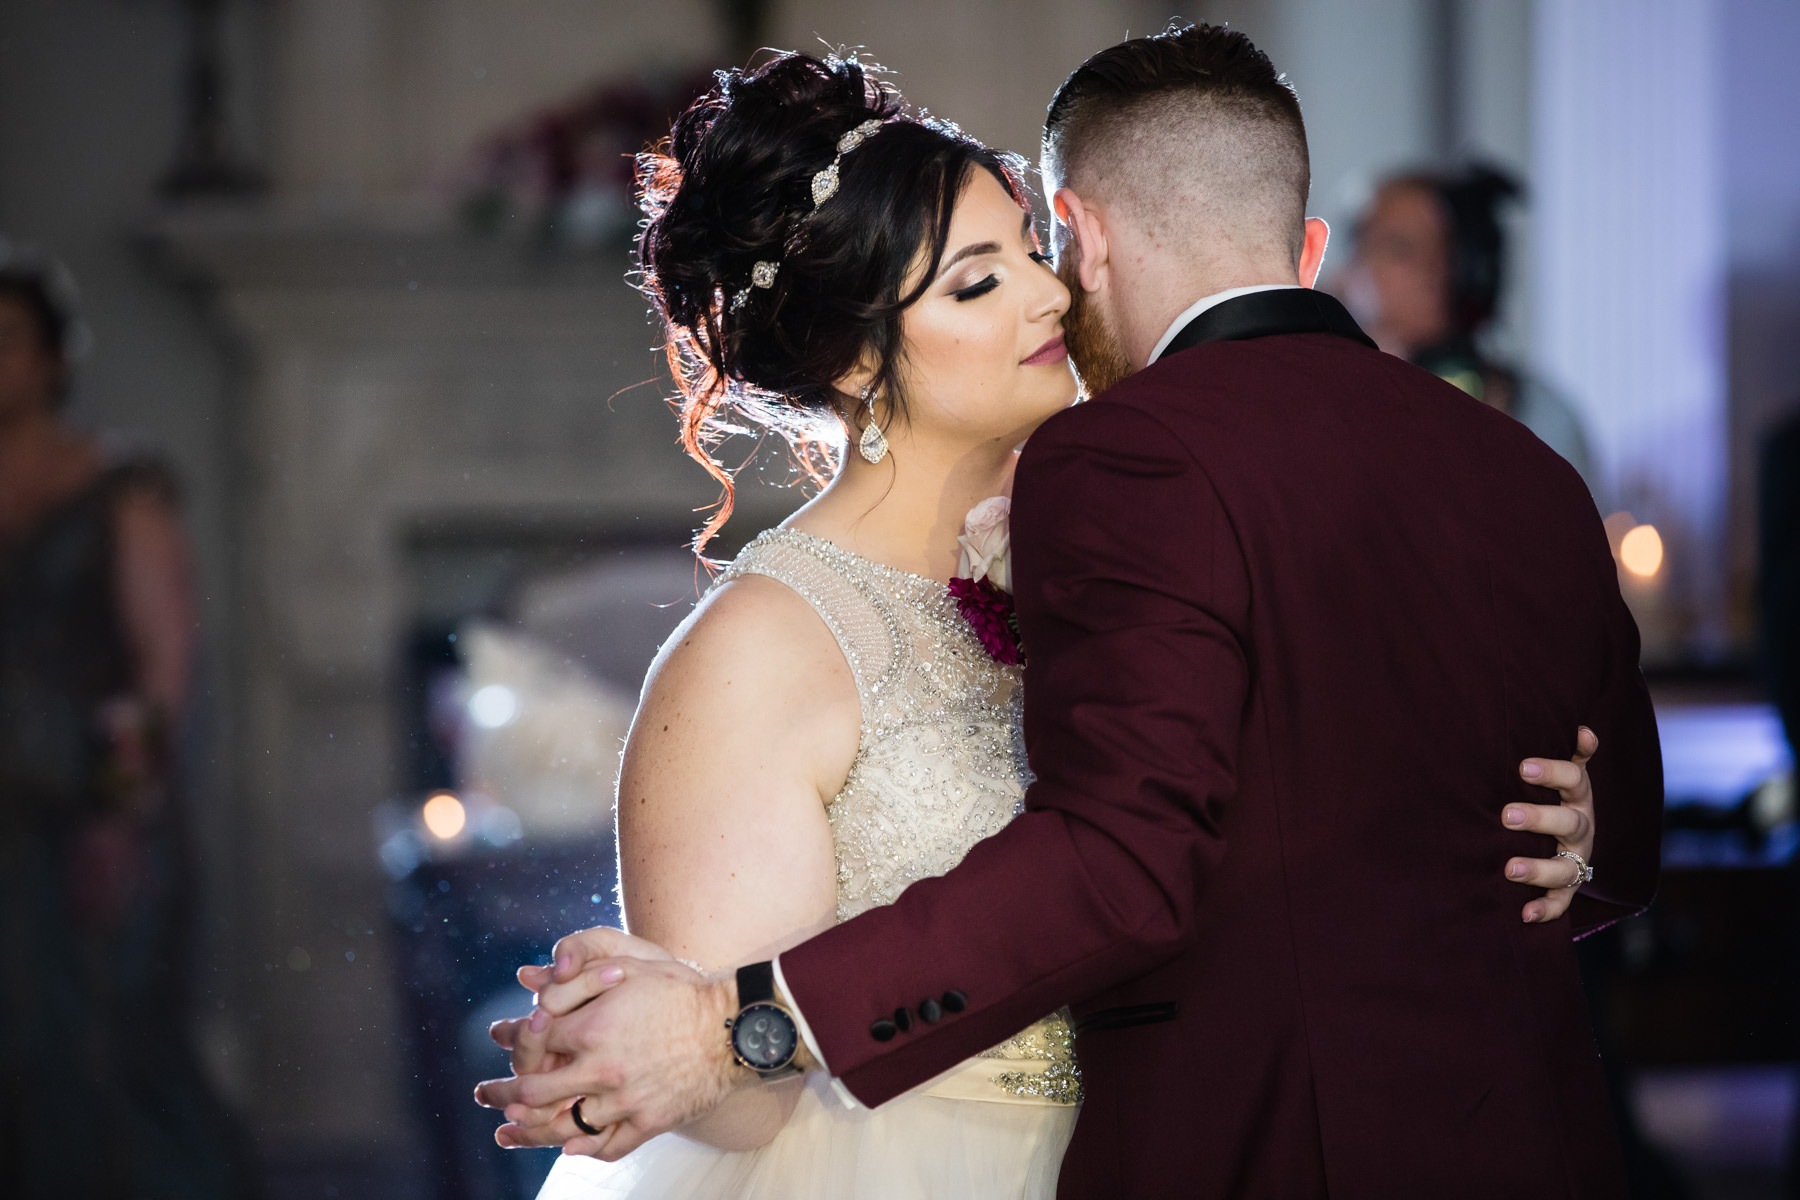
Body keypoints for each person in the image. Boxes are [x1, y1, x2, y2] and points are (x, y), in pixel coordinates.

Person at [476, 25, 1663, 1198]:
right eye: (983, 278)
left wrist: (1576, 836)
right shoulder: (763, 647)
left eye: (1037, 250)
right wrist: (683, 1040)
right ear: (853, 353)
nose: (1052, 293)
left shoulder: (1113, 502)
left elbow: (1190, 819)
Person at [0, 243, 258, 1197]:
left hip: (91, 807)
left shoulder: (121, 488)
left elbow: (162, 670)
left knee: (104, 1048)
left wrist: (119, 815)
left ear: (55, 358)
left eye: (9, 340)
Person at [1338, 163, 1599, 492]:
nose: (1433, 268)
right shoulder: (1319, 408)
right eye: (1401, 248)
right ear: (1349, 269)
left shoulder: (1544, 418)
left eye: (1449, 248)